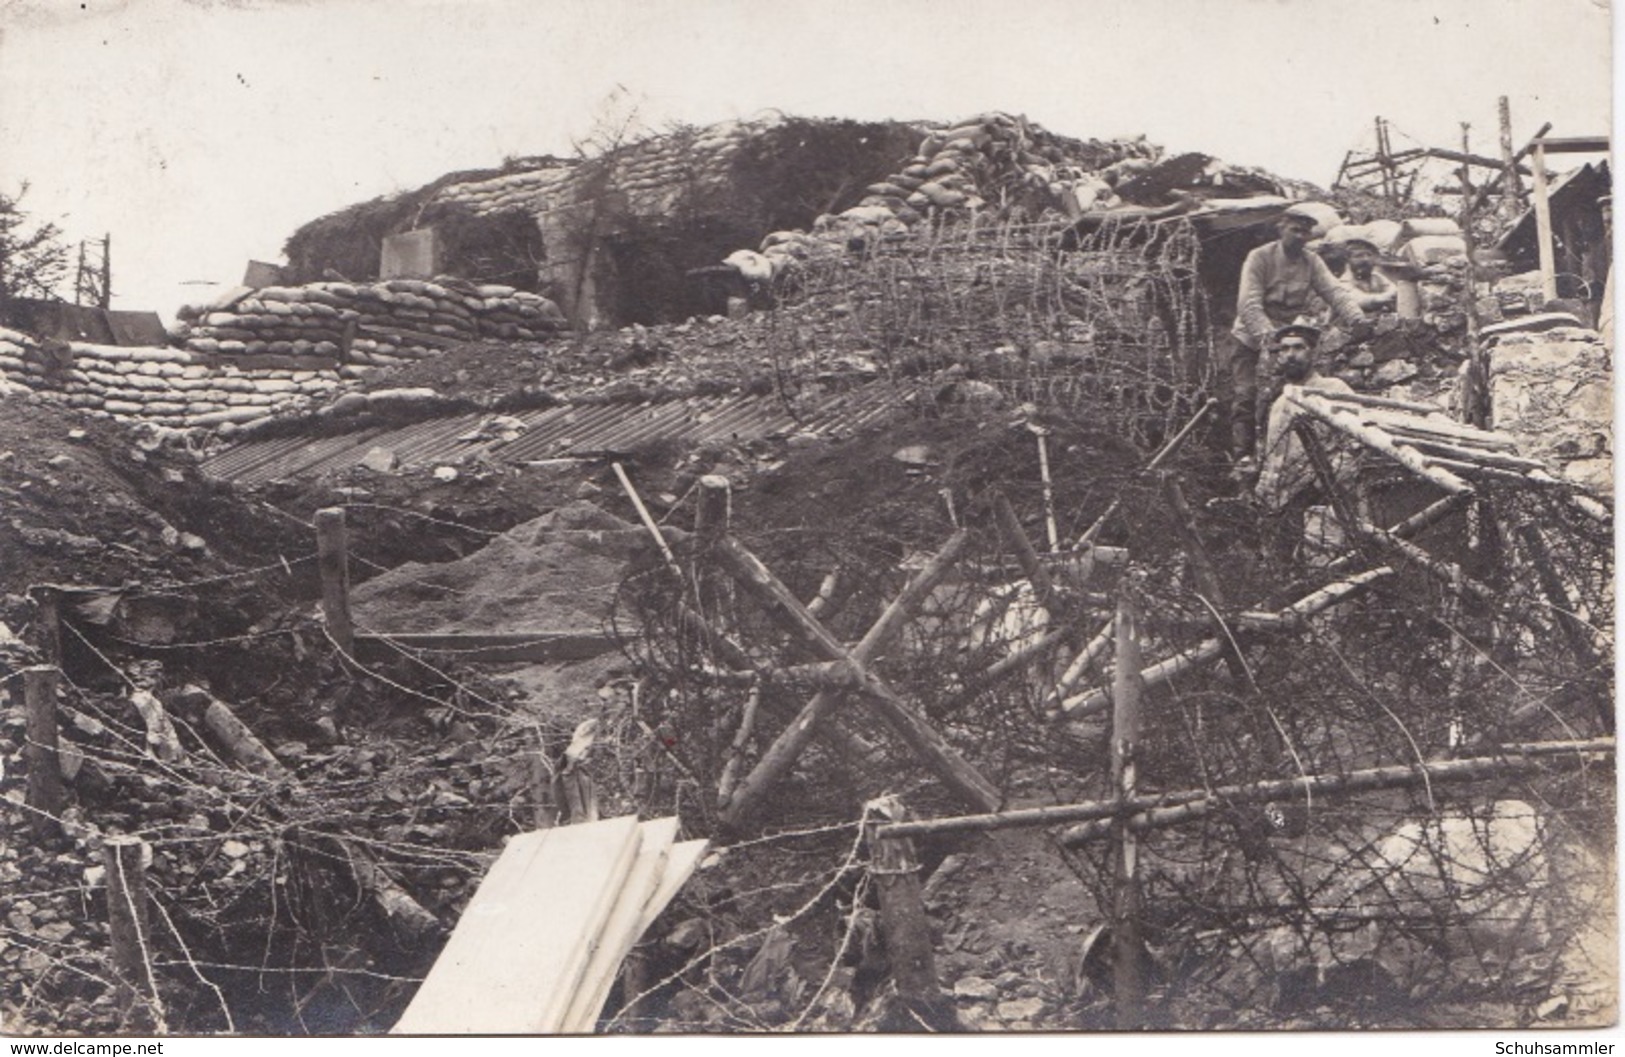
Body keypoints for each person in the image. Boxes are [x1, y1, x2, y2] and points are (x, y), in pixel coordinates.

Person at [1223, 208, 1370, 472]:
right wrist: (1268, 339)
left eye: (1305, 232)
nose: (1300, 236)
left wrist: (1358, 320)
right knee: (1246, 394)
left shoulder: (1311, 261)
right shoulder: (1259, 258)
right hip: (1250, 337)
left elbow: (1335, 292)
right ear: (1282, 228)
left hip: (1285, 339)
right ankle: (1243, 456)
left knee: (1291, 393)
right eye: (1295, 230)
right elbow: (1248, 304)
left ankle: (1288, 457)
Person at [1254, 322, 1357, 519]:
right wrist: (1264, 493)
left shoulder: (1333, 389)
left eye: (1298, 347)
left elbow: (1356, 442)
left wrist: (1325, 484)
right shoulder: (1279, 402)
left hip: (1322, 499)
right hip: (1281, 504)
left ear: (1313, 353)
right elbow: (1272, 456)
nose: (1291, 354)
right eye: (1285, 348)